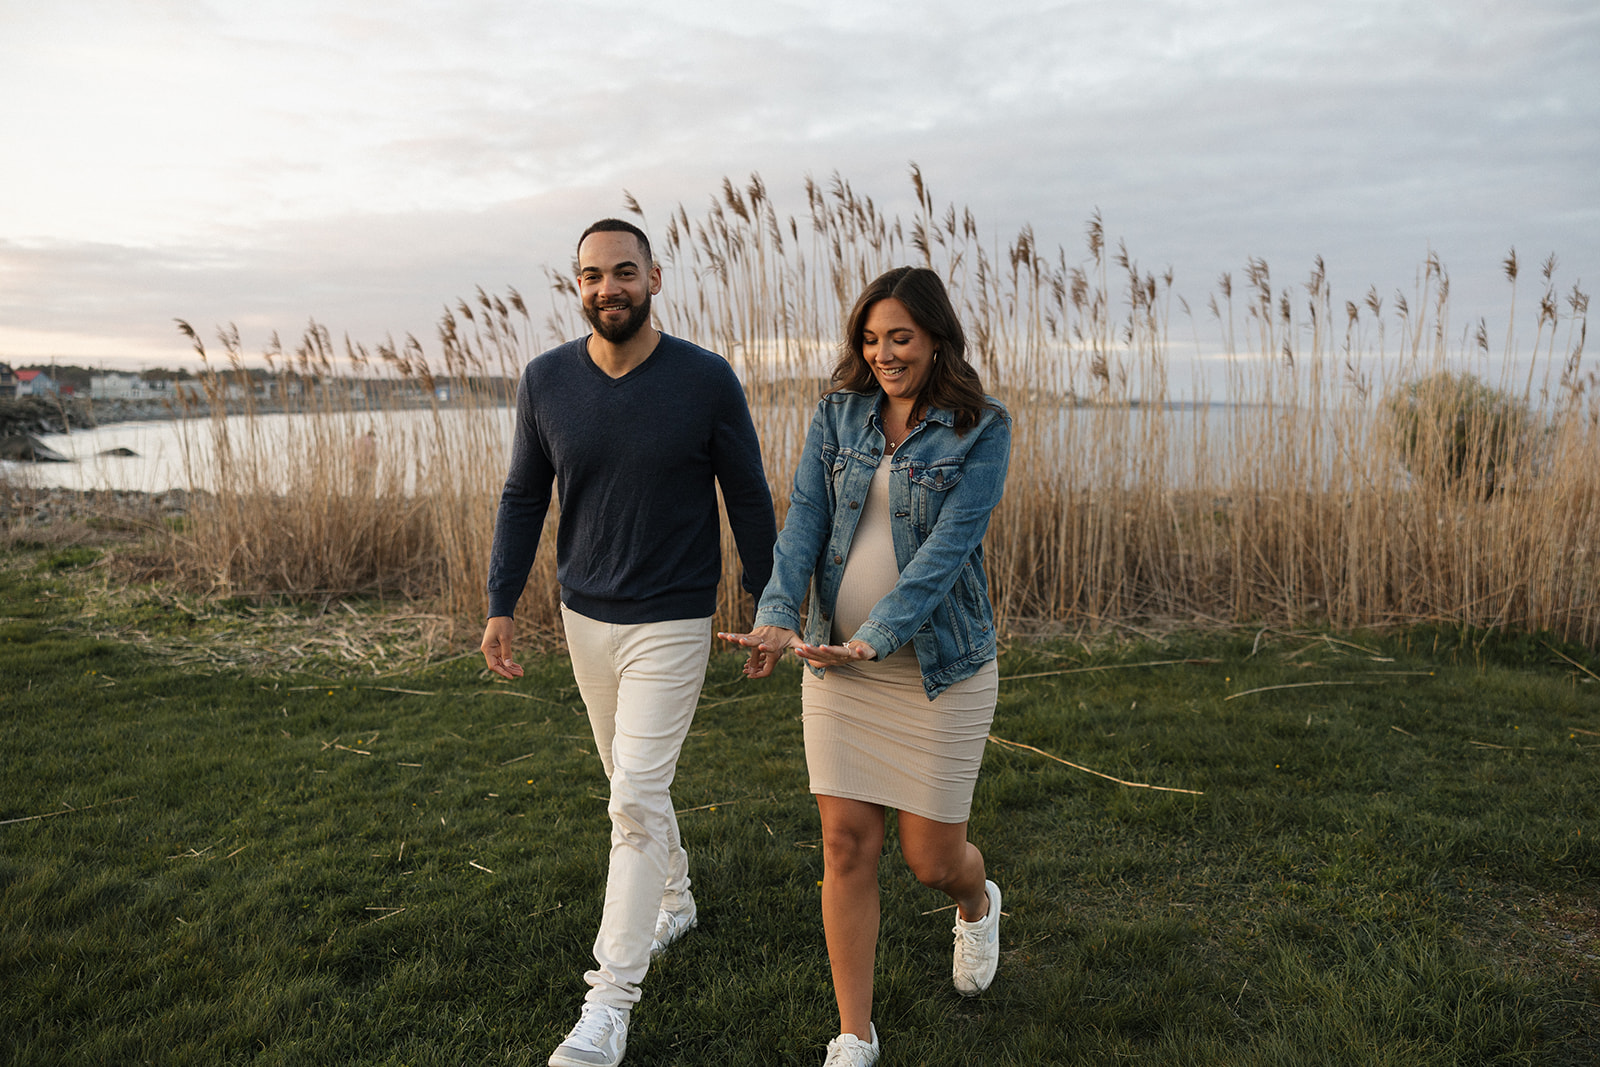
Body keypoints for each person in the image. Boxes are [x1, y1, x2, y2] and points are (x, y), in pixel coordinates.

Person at [481, 218, 777, 1067]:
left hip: (674, 618)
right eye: (589, 275)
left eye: (622, 271)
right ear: (576, 286)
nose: (606, 287)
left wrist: (768, 595)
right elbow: (520, 497)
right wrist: (502, 601)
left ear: (654, 277)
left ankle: (607, 1003)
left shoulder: (705, 379)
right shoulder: (545, 381)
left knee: (633, 796)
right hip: (585, 616)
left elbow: (748, 495)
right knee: (628, 784)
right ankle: (675, 896)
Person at [719, 266, 1011, 1067]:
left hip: (936, 667)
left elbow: (947, 553)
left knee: (931, 859)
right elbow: (805, 521)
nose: (883, 353)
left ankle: (977, 901)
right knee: (846, 846)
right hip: (837, 668)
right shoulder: (838, 416)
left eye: (901, 338)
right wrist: (779, 615)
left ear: (937, 339)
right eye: (871, 339)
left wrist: (876, 635)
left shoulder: (980, 427)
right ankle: (854, 1033)